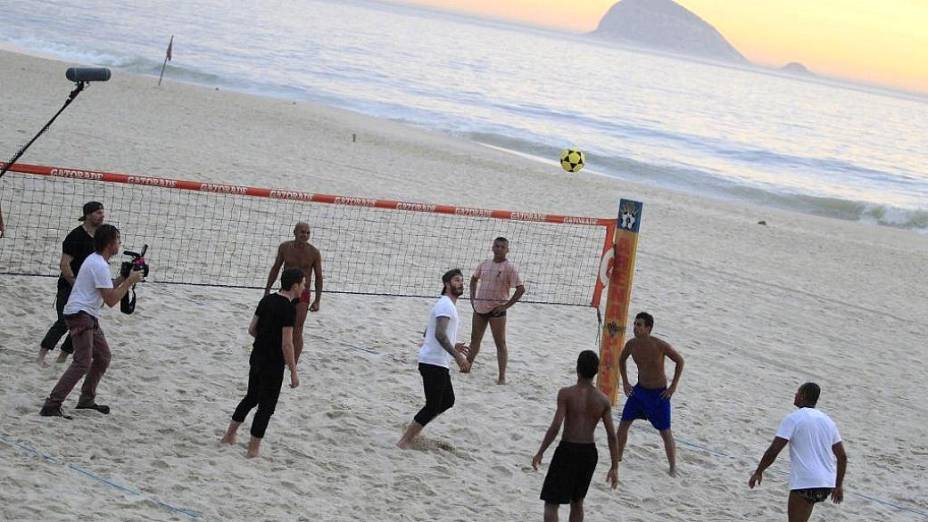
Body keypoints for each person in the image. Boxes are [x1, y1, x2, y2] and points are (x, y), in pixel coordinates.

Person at [39, 224, 144, 418]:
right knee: (82, 362)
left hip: (87, 315)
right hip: (80, 315)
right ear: (110, 244)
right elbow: (111, 300)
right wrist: (130, 282)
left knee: (103, 357)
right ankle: (52, 404)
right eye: (118, 241)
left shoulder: (97, 262)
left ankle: (86, 400)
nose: (120, 245)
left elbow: (106, 287)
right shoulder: (98, 264)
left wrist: (123, 277)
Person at [221, 268, 304, 458]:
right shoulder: (289, 309)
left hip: (257, 356)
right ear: (295, 286)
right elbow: (287, 344)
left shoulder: (266, 300)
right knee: (266, 407)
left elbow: (252, 329)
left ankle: (229, 435)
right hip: (273, 363)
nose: (305, 287)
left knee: (251, 397)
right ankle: (253, 449)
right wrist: (293, 371)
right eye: (303, 284)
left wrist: (265, 340)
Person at [533, 350, 619, 522]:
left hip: (568, 449)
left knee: (551, 503)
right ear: (596, 371)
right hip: (588, 453)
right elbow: (612, 436)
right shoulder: (603, 400)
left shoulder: (566, 394)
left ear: (577, 369)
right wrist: (614, 466)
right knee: (577, 502)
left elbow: (556, 426)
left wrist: (541, 451)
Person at [749, 383, 847, 522]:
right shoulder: (828, 421)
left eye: (797, 392)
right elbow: (842, 456)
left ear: (803, 396)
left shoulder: (794, 418)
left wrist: (759, 471)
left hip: (806, 482)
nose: (795, 395)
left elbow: (774, 450)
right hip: (826, 484)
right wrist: (838, 485)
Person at [397, 269, 471, 449]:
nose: (460, 283)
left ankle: (414, 430)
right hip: (433, 362)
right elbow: (439, 334)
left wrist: (454, 344)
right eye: (456, 280)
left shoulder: (447, 305)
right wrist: (458, 356)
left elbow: (428, 332)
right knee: (433, 405)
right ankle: (404, 441)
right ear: (447, 284)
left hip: (436, 362)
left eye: (462, 280)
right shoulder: (445, 304)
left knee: (447, 400)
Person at [615, 312, 685, 477]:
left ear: (648, 328)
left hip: (659, 394)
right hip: (639, 391)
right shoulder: (631, 345)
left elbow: (680, 361)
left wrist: (673, 386)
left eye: (639, 325)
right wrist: (625, 381)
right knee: (623, 424)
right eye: (634, 324)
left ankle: (673, 466)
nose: (635, 327)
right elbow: (621, 360)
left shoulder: (660, 345)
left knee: (665, 432)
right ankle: (617, 459)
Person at [38, 201, 105, 367]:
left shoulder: (101, 236)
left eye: (102, 212)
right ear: (88, 215)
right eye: (98, 213)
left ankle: (62, 357)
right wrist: (76, 285)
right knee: (64, 321)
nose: (102, 215)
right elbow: (64, 264)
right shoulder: (75, 236)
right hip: (69, 285)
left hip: (89, 288)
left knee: (83, 322)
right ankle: (41, 356)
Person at [467, 237, 525, 384]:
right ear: (492, 247)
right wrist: (472, 299)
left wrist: (505, 306)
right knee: (475, 340)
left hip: (497, 310)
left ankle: (501, 377)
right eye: (497, 246)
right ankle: (466, 366)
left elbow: (521, 289)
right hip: (480, 307)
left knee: (500, 343)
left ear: (507, 250)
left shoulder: (509, 267)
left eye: (502, 247)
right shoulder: (485, 264)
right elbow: (473, 280)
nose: (499, 249)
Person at [264, 222, 322, 364]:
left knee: (297, 328)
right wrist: (267, 289)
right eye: (302, 232)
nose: (305, 235)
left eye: (308, 233)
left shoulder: (314, 252)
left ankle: (292, 363)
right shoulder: (285, 247)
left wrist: (317, 300)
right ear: (294, 232)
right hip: (286, 290)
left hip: (303, 293)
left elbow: (319, 277)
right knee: (280, 325)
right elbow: (276, 268)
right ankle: (280, 355)